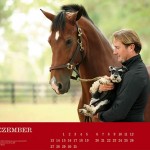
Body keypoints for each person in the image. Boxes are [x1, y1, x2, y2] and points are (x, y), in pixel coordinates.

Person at [94, 29, 149, 122]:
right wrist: (101, 89)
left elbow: (118, 112)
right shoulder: (128, 70)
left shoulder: (136, 74)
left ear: (131, 47)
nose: (114, 52)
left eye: (117, 48)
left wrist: (98, 115)